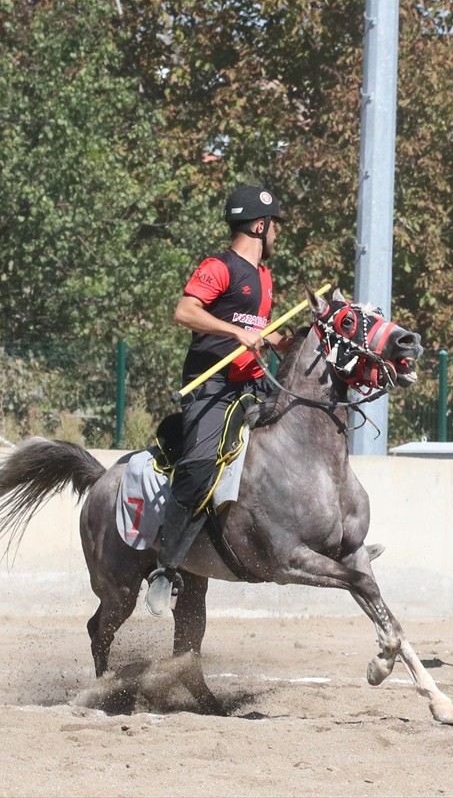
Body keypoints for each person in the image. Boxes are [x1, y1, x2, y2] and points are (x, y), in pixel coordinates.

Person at [145, 185, 294, 617]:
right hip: (212, 389)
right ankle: (167, 568)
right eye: (275, 227)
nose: (277, 235)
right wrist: (235, 332)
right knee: (199, 468)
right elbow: (185, 312)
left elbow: (257, 330)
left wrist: (282, 341)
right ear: (260, 225)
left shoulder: (264, 278)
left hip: (254, 386)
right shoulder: (219, 267)